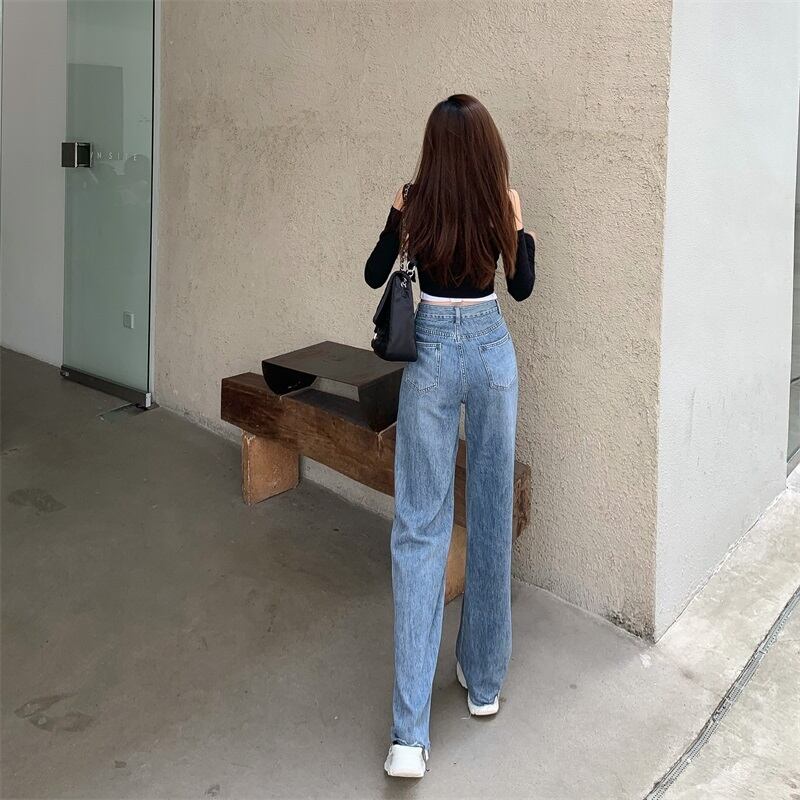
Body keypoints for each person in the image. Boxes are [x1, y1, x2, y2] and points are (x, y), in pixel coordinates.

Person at [363, 93, 537, 779]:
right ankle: (483, 682)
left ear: (433, 147)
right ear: (488, 146)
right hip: (491, 353)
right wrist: (519, 229)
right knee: (489, 517)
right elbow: (521, 287)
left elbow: (374, 275)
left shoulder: (417, 202)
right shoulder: (500, 201)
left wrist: (394, 216)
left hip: (431, 354)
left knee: (420, 528)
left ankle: (409, 738)